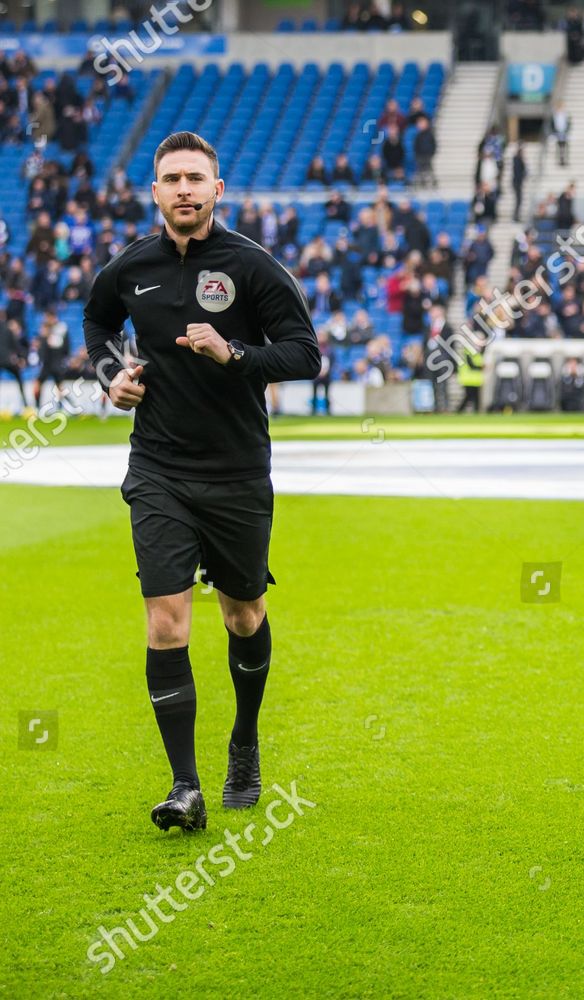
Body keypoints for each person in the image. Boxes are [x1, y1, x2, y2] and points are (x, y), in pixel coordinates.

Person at [82, 132, 321, 833]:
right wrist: (109, 376)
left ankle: (243, 741)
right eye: (171, 179)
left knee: (243, 614)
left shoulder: (254, 266)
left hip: (238, 471)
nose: (184, 189)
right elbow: (97, 323)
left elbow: (306, 355)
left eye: (196, 178)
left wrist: (234, 352)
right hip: (157, 468)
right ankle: (184, 785)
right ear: (153, 192)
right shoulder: (130, 268)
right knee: (165, 619)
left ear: (219, 189)